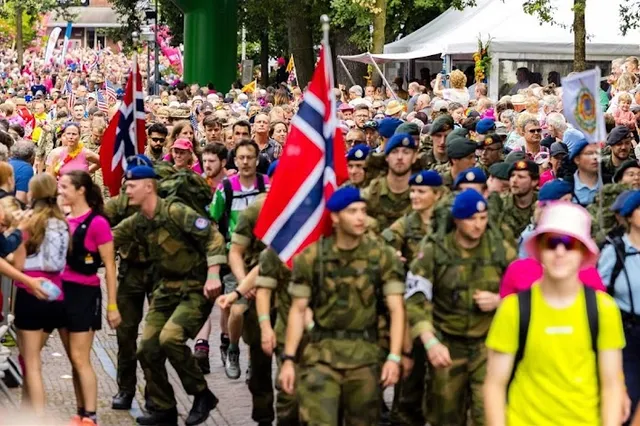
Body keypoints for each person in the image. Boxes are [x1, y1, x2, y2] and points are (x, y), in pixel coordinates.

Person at [485, 201, 625, 426]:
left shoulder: (604, 310)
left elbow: (611, 383)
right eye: (552, 243)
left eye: (569, 244)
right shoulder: (513, 309)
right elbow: (494, 383)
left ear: (582, 252)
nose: (560, 251)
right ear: (540, 250)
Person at [111, 159, 226, 426]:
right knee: (147, 349)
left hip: (195, 288)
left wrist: (212, 275)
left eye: (131, 186)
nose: (126, 191)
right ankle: (164, 408)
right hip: (166, 289)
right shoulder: (139, 221)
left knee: (170, 339)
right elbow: (108, 237)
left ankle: (202, 394)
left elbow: (213, 237)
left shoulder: (176, 211)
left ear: (149, 187)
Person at [279, 187, 406, 425]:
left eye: (363, 211)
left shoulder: (382, 256)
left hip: (365, 357)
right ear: (335, 217)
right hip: (321, 355)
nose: (360, 217)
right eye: (352, 211)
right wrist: (288, 359)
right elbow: (298, 309)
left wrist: (394, 357)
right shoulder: (312, 257)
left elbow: (397, 309)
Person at [406, 189, 516, 426]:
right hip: (447, 344)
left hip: (488, 345)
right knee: (444, 415)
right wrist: (430, 341)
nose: (478, 225)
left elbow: (526, 292)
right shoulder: (436, 251)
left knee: (488, 413)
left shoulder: (500, 250)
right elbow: (416, 297)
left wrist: (500, 300)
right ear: (456, 220)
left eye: (483, 218)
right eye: (471, 219)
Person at [58, 170, 120, 426]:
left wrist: (112, 305)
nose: (60, 191)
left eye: (64, 187)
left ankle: (91, 415)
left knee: (82, 357)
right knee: (73, 358)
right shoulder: (63, 218)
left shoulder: (97, 223)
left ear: (80, 190)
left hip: (85, 293)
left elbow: (109, 266)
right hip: (62, 293)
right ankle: (80, 409)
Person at [381, 170, 443, 426]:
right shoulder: (406, 224)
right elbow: (381, 243)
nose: (415, 196)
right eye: (413, 191)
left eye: (422, 191)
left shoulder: (449, 224)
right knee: (409, 388)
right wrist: (391, 254)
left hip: (444, 312)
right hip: (413, 311)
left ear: (437, 195)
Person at [12, 173, 69, 416]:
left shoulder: (29, 222)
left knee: (32, 363)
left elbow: (18, 265)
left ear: (33, 194)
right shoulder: (63, 222)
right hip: (58, 294)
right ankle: (27, 413)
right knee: (31, 360)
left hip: (31, 293)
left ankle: (37, 418)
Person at [599, 191, 640, 423]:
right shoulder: (615, 250)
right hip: (627, 333)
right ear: (628, 216)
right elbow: (598, 292)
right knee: (629, 396)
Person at [362, 133, 417, 230]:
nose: (400, 157)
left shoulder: (422, 192)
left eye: (406, 152)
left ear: (414, 157)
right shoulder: (371, 193)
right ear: (386, 157)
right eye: (394, 152)